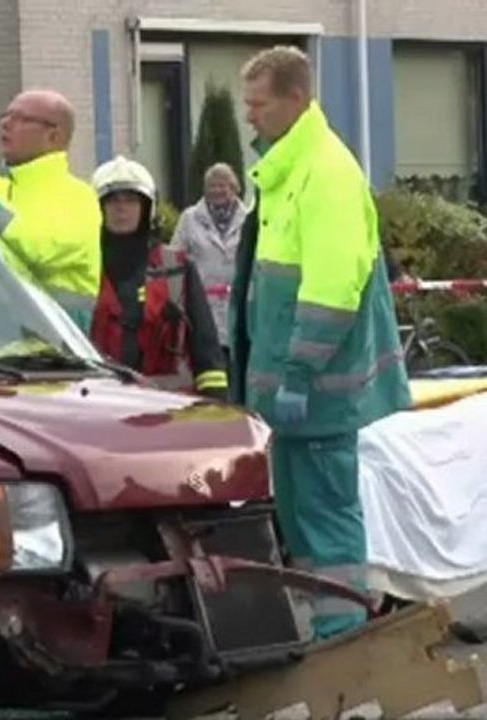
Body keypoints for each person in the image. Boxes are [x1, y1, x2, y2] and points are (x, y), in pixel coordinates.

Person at [229, 45, 411, 641]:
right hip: (295, 394)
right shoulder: (289, 171)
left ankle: (346, 642)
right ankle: (332, 631)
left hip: (316, 395)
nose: (249, 116)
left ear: (295, 100)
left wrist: (300, 374)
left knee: (327, 520)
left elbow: (333, 289)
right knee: (305, 521)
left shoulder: (325, 173)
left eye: (258, 104)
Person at [0, 89, 101, 333]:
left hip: (53, 357)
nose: (6, 124)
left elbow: (40, 248)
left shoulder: (79, 198)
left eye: (22, 119)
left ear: (54, 136)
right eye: (5, 116)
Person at [90, 155, 228, 399]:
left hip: (166, 408)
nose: (121, 208)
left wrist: (215, 399)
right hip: (100, 403)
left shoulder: (176, 267)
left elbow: (204, 344)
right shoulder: (85, 267)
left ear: (147, 208)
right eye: (112, 200)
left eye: (131, 200)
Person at [170, 162, 247, 358]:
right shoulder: (190, 218)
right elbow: (175, 259)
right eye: (212, 186)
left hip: (238, 306)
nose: (217, 190)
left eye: (223, 185)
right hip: (201, 306)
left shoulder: (247, 219)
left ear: (234, 188)